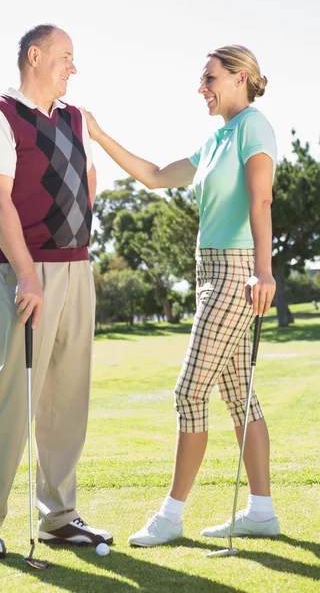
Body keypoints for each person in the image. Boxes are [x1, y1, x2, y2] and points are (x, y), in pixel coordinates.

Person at [82, 44, 280, 546]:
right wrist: (100, 135)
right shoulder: (217, 136)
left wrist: (264, 270)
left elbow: (261, 198)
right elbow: (153, 177)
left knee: (189, 392)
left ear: (240, 77)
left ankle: (171, 516)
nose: (203, 88)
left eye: (210, 78)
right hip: (207, 272)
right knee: (239, 395)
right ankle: (261, 513)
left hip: (237, 273)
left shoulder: (254, 125)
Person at [0, 23, 112, 560]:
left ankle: (60, 517)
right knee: (15, 396)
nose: (73, 67)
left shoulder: (74, 118)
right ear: (34, 56)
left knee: (68, 398)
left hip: (78, 270)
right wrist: (27, 273)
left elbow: (88, 179)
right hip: (28, 275)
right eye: (65, 56)